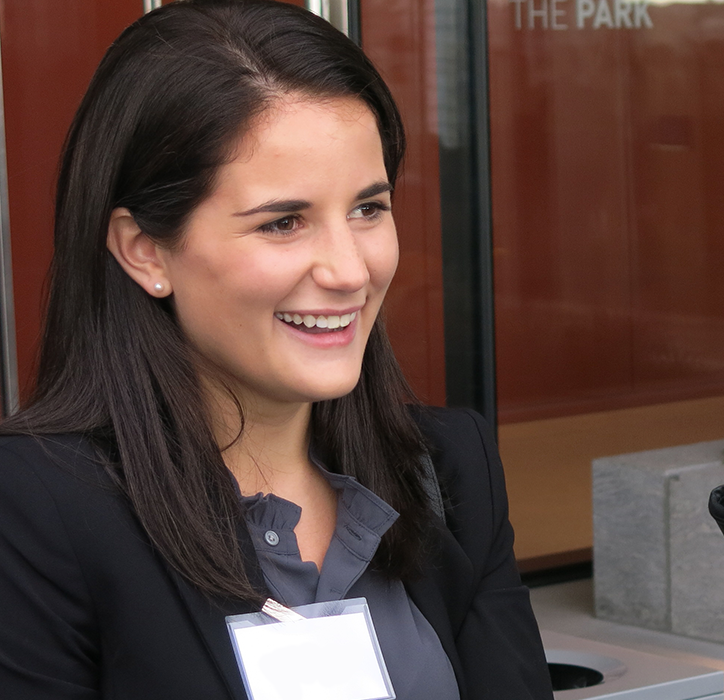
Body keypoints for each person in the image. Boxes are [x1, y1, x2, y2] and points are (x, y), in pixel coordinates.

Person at [0, 2, 552, 698]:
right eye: (284, 222)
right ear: (144, 250)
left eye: (368, 209)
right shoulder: (34, 511)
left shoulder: (446, 472)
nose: (349, 269)